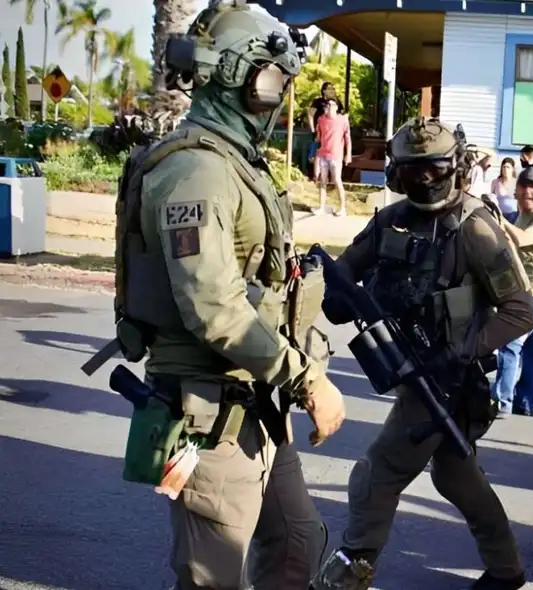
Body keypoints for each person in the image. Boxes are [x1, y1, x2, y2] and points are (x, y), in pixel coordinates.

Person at [94, 3, 348, 587]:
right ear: (237, 76)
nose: (280, 94)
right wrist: (307, 378)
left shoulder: (235, 164)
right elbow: (213, 307)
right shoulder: (197, 174)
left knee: (296, 545)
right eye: (272, 79)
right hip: (211, 415)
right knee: (213, 577)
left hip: (257, 397)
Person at [312, 116, 533, 590]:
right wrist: (336, 295)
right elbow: (344, 271)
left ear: (455, 165)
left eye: (434, 165)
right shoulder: (391, 220)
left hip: (448, 382)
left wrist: (458, 354)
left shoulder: (474, 229)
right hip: (410, 368)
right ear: (397, 171)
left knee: (376, 477)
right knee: (457, 478)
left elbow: (519, 312)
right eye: (413, 168)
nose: (425, 177)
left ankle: (348, 574)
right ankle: (506, 570)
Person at [492, 166, 533, 417]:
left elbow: (521, 240)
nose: (527, 192)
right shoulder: (521, 214)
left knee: (510, 344)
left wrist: (499, 218)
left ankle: (502, 402)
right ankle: (525, 400)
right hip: (522, 288)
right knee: (530, 346)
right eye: (523, 186)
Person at [314, 97, 352, 216]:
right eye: (327, 105)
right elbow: (318, 138)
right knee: (322, 180)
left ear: (336, 107)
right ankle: (321, 207)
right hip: (323, 153)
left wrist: (348, 154)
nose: (329, 107)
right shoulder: (321, 120)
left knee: (337, 180)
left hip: (336, 154)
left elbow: (347, 139)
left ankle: (342, 208)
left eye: (331, 105)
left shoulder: (343, 120)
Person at [490, 157, 519, 223]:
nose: (505, 169)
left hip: (513, 215)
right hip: (499, 214)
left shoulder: (517, 182)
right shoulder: (495, 182)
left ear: (512, 169)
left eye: (508, 167)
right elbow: (491, 198)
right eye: (504, 167)